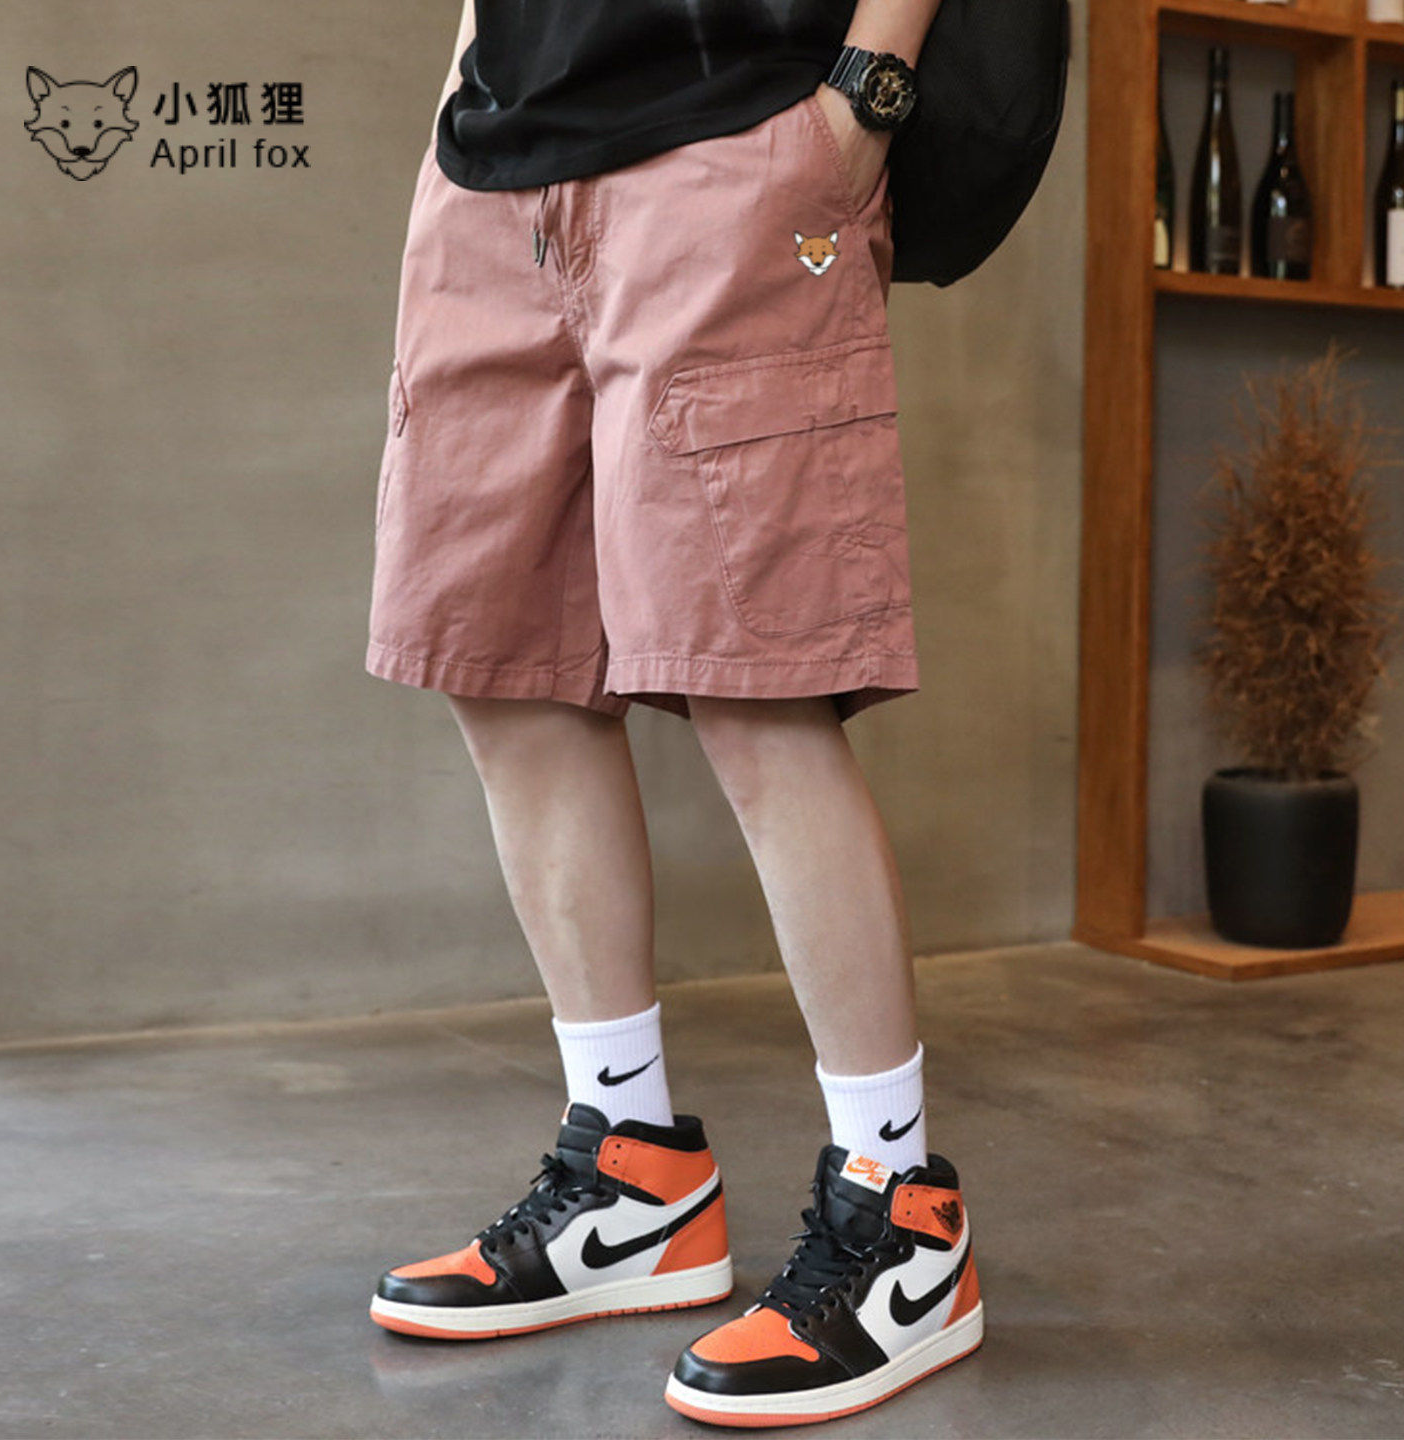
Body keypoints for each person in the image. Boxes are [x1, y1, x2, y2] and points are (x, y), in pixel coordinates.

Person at [364, 0, 983, 1425]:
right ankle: (631, 1174)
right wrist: (462, 91)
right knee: (502, 667)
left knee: (753, 682)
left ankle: (902, 1213)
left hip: (732, 140)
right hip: (495, 167)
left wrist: (861, 104)